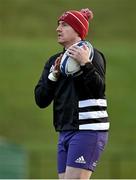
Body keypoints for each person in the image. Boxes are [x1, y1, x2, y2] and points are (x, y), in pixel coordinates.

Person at [34, 8, 110, 179]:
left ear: (78, 30)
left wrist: (85, 64)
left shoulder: (93, 56)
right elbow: (40, 100)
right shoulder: (53, 61)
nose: (58, 29)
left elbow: (98, 90)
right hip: (65, 131)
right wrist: (53, 75)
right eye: (58, 24)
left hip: (88, 130)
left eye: (64, 25)